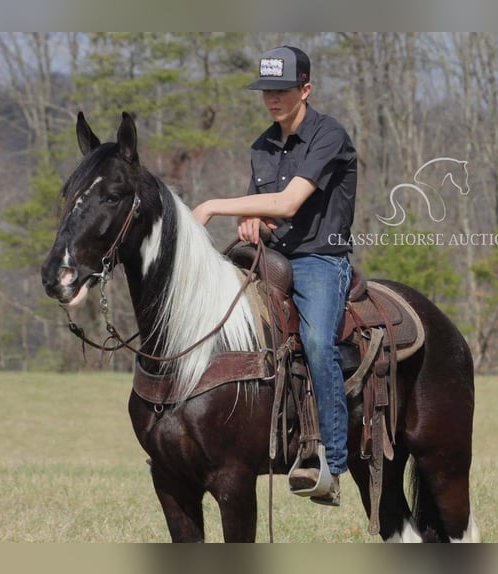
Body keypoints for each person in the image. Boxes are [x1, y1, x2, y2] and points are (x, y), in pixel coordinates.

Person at [193, 45, 357, 506]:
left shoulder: (329, 135)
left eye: (282, 90)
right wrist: (250, 223)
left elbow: (286, 204)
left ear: (305, 89)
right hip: (270, 259)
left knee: (320, 342)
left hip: (320, 260)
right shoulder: (261, 147)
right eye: (267, 90)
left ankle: (332, 460)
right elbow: (264, 213)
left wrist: (212, 206)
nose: (272, 99)